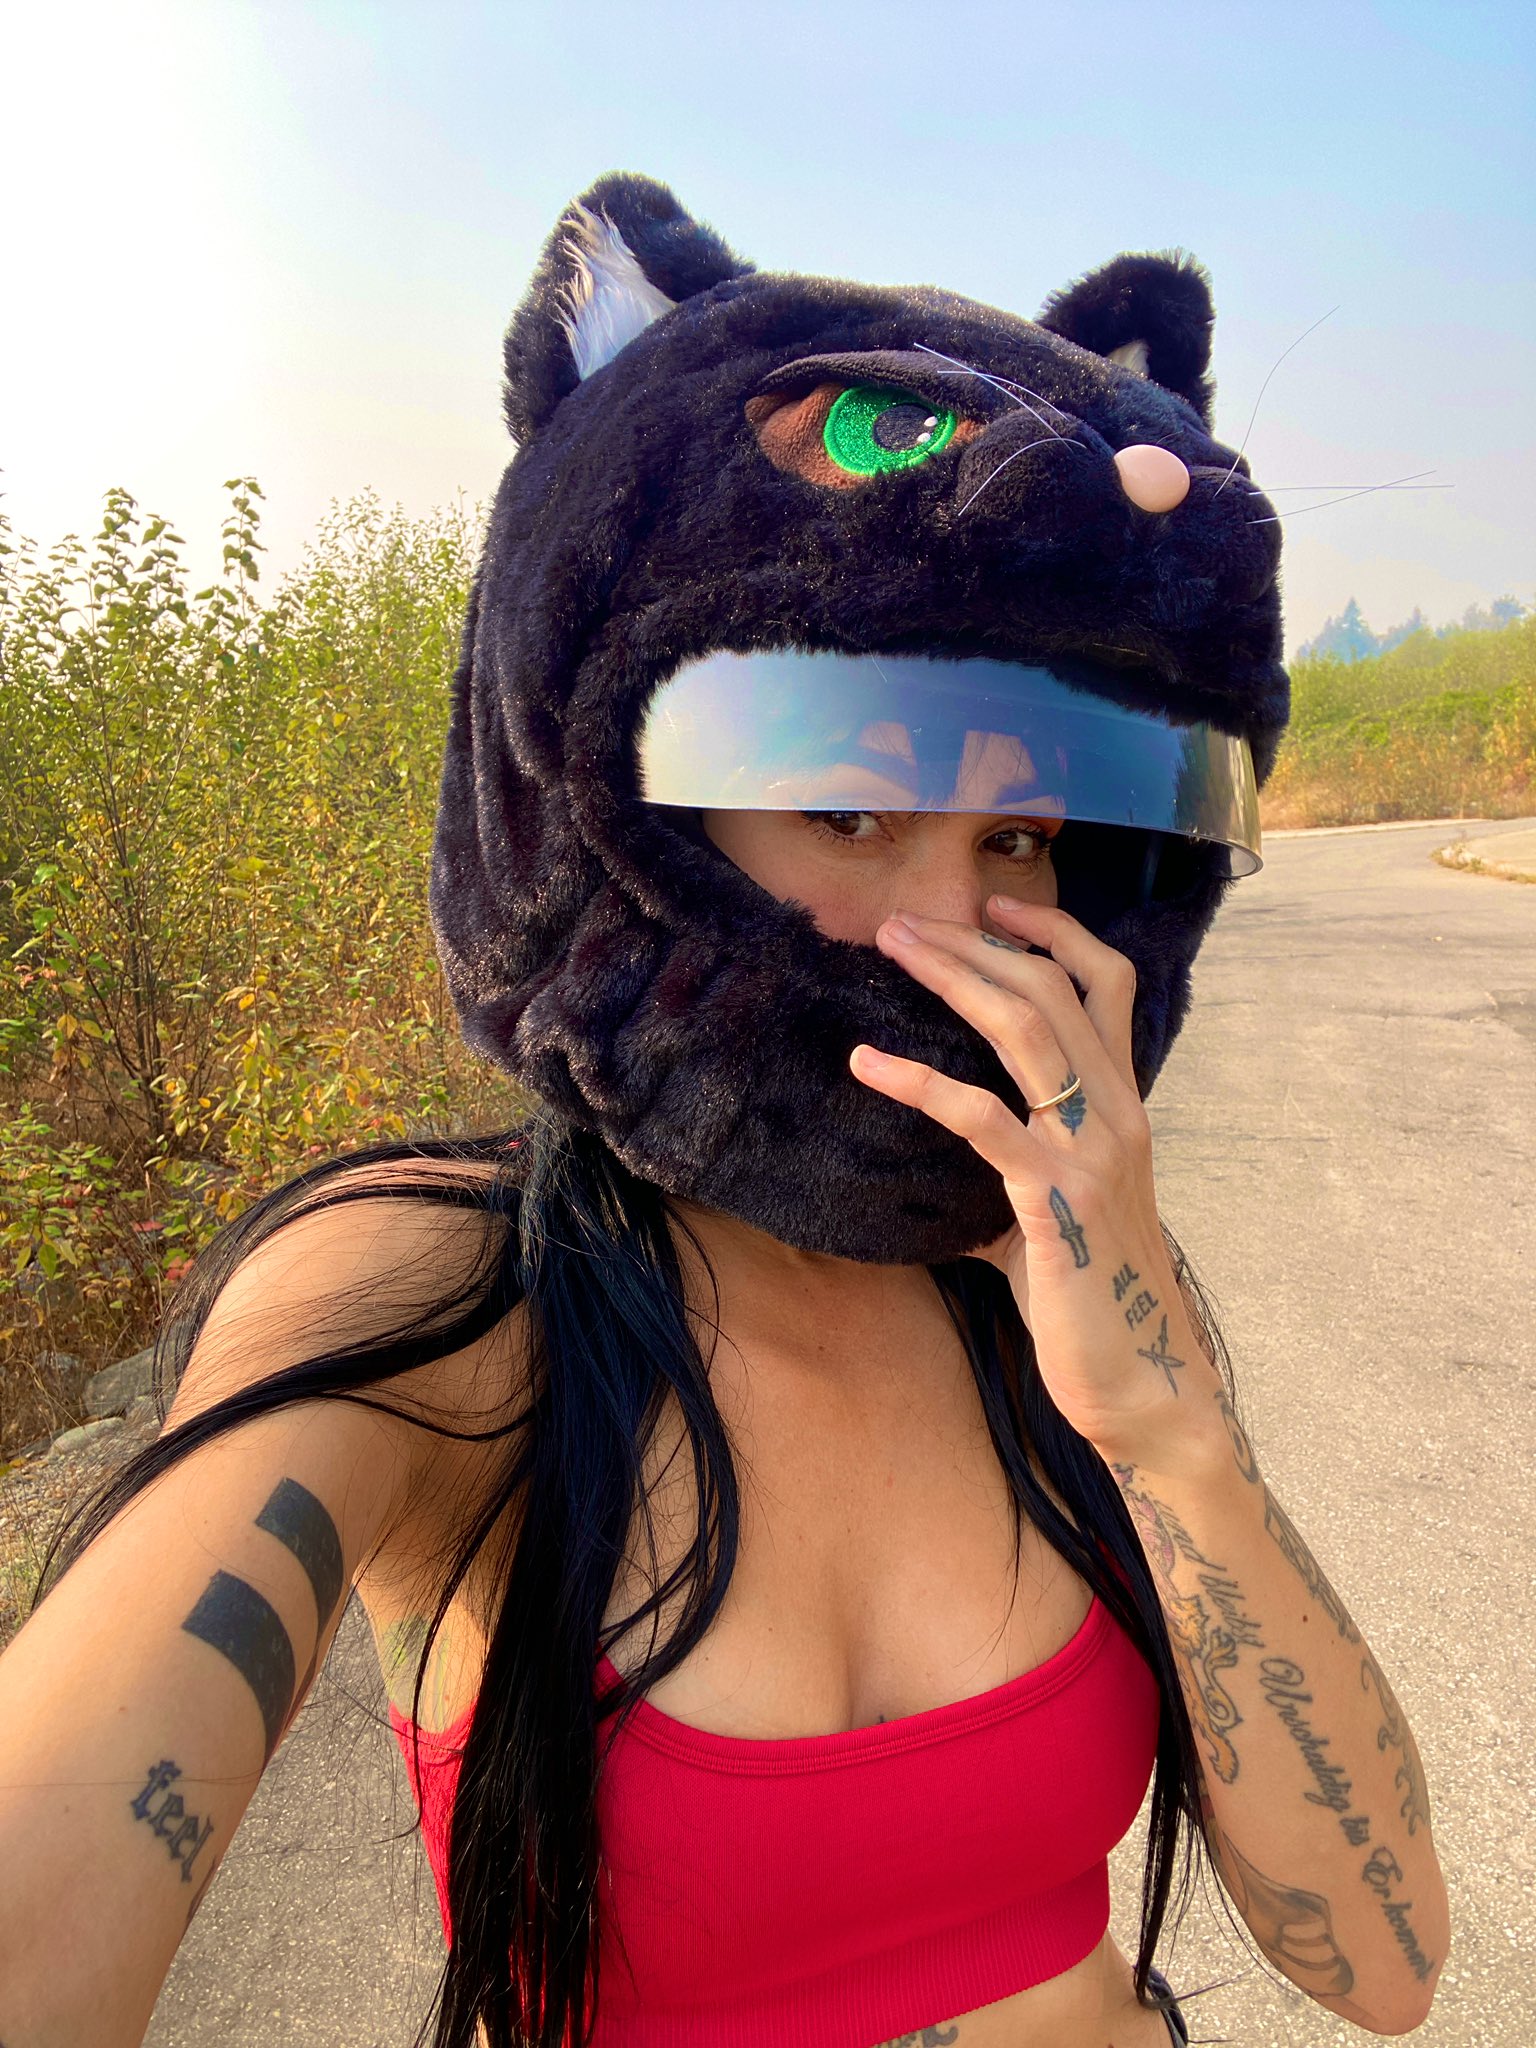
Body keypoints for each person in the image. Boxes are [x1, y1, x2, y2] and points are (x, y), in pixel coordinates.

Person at [0, 177, 1447, 2048]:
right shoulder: (441, 1305)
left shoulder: (1052, 1285)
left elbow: (1383, 1965)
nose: (947, 931)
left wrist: (1167, 1426)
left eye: (1018, 838)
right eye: (845, 809)